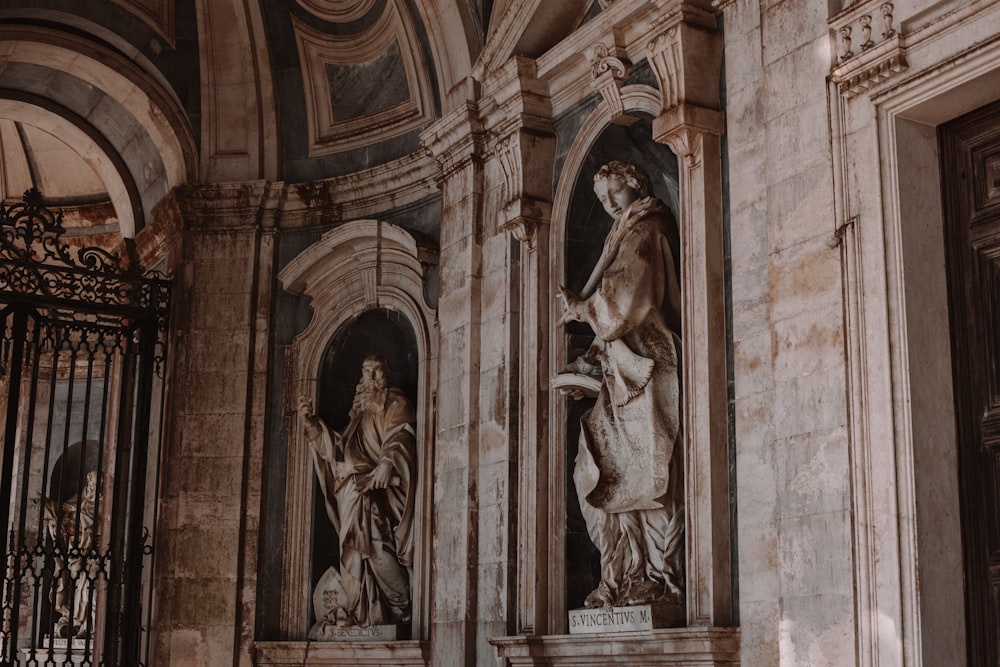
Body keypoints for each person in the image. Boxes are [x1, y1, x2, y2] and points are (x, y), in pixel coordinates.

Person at [556, 160, 685, 609]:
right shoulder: (623, 231)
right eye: (602, 198)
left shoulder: (647, 227)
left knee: (649, 472)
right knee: (597, 471)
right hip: (621, 373)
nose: (609, 203)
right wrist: (588, 367)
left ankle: (658, 577)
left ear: (636, 184)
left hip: (650, 365)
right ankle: (623, 575)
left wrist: (581, 309)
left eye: (615, 192)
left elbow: (630, 299)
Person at [298, 355, 416, 630]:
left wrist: (388, 462)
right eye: (366, 371)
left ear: (388, 376)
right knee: (352, 552)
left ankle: (398, 609)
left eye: (378, 372)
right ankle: (361, 613)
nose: (371, 378)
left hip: (378, 492)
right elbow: (339, 453)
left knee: (376, 547)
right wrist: (312, 425)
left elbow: (401, 435)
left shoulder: (393, 402)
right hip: (350, 493)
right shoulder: (358, 415)